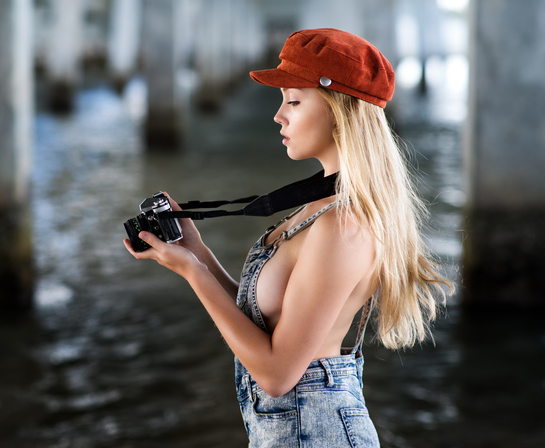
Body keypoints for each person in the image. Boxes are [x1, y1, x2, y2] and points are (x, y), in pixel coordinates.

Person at [124, 28, 453, 447]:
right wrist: (199, 254)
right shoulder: (321, 204)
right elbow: (265, 326)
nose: (279, 115)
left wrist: (193, 274)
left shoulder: (343, 224)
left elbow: (278, 375)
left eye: (294, 101)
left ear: (339, 111)